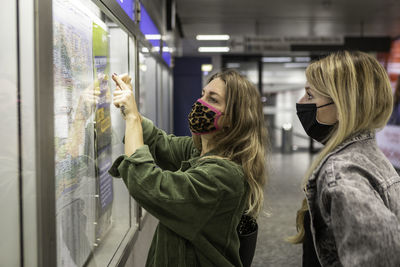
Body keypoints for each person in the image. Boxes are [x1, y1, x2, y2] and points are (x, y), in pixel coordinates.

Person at [108, 69, 268, 266]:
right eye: (203, 94)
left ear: (234, 118)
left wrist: (133, 118)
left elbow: (149, 184)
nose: (200, 103)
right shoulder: (199, 150)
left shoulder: (224, 175)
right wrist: (129, 108)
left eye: (213, 99)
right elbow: (158, 142)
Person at [289, 51, 400, 266]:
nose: (301, 103)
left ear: (342, 106)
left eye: (310, 96)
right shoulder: (370, 156)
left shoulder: (341, 173)